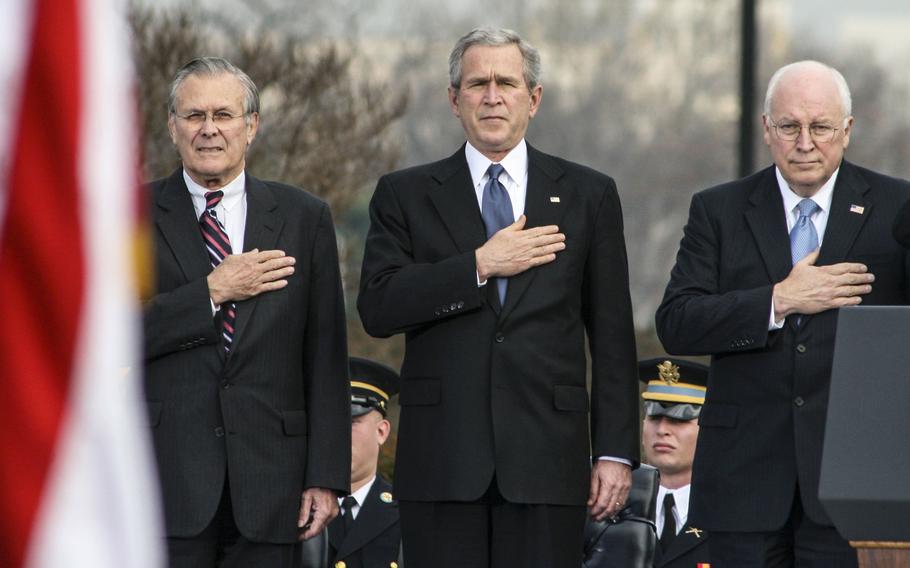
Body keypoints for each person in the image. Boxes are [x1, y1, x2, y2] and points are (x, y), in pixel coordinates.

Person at [357, 27, 639, 568]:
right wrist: (478, 266)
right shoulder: (406, 193)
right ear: (453, 100)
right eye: (477, 83)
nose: (491, 96)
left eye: (506, 83)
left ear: (533, 99)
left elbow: (611, 336)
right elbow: (378, 306)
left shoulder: (588, 194)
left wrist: (614, 452)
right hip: (442, 463)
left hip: (547, 462)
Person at [656, 60, 910, 567]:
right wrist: (779, 300)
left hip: (857, 486)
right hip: (743, 484)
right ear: (767, 130)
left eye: (820, 127)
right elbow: (677, 321)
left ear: (847, 130)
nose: (805, 143)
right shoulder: (719, 210)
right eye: (790, 127)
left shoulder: (897, 208)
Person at [143, 56, 351, 567]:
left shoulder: (305, 217)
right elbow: (108, 334)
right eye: (193, 116)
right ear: (172, 127)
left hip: (272, 485)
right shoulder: (130, 216)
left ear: (251, 126)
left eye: (224, 115)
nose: (209, 130)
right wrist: (211, 292)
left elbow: (325, 357)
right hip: (165, 483)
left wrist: (325, 476)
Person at [327, 357, 402, 568]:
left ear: (382, 431)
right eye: (330, 422)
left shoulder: (407, 517)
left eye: (351, 423)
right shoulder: (296, 511)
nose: (338, 433)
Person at [639, 358, 711, 568]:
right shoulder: (612, 507)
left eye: (679, 420)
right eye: (654, 417)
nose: (662, 430)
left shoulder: (731, 513)